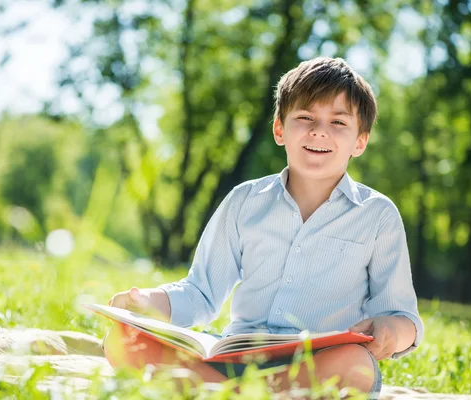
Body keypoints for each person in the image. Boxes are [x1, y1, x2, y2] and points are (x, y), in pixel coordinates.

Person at [105, 56, 424, 399]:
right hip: (236, 355)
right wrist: (147, 302)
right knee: (122, 340)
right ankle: (242, 389)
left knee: (356, 365)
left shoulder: (377, 215)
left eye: (338, 122)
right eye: (305, 117)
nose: (319, 130)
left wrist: (391, 330)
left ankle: (223, 393)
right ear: (279, 129)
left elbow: (403, 317)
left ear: (360, 141)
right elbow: (201, 292)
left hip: (318, 363)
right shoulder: (245, 201)